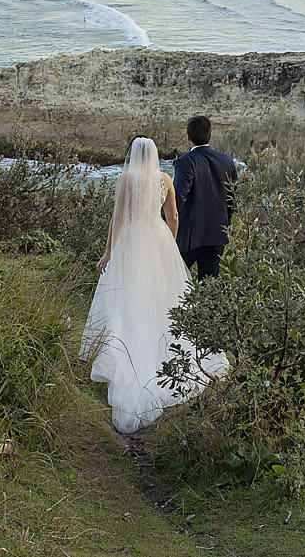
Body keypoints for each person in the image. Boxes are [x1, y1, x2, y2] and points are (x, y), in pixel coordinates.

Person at [80, 136, 227, 433]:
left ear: (133, 155)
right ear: (155, 156)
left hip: (133, 238)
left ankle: (121, 342)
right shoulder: (164, 179)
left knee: (126, 291)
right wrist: (169, 243)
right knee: (163, 296)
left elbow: (117, 219)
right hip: (157, 236)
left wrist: (110, 251)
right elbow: (173, 215)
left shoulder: (124, 179)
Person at [173, 115, 237, 279]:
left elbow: (178, 197)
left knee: (174, 282)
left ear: (188, 137)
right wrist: (225, 225)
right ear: (210, 135)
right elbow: (232, 198)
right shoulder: (227, 160)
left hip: (189, 236)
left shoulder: (185, 161)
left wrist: (164, 221)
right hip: (217, 234)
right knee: (209, 290)